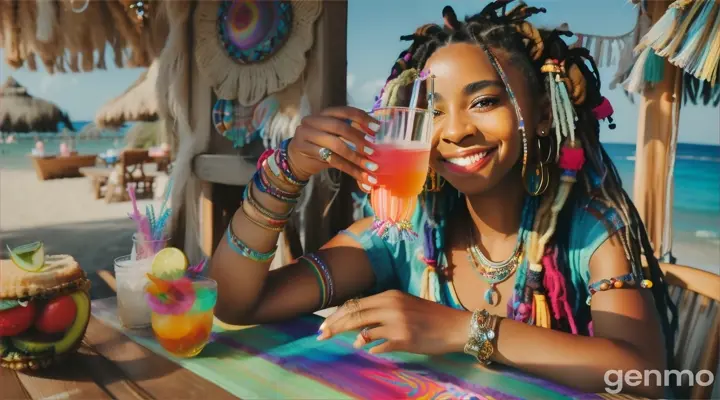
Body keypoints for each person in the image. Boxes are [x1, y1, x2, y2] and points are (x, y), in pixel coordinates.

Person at [210, 2, 677, 397]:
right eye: (431, 111)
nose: (454, 131)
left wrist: (464, 329)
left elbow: (644, 374)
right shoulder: (406, 234)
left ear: (539, 115)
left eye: (484, 102)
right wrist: (285, 173)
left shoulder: (589, 231)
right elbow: (236, 304)